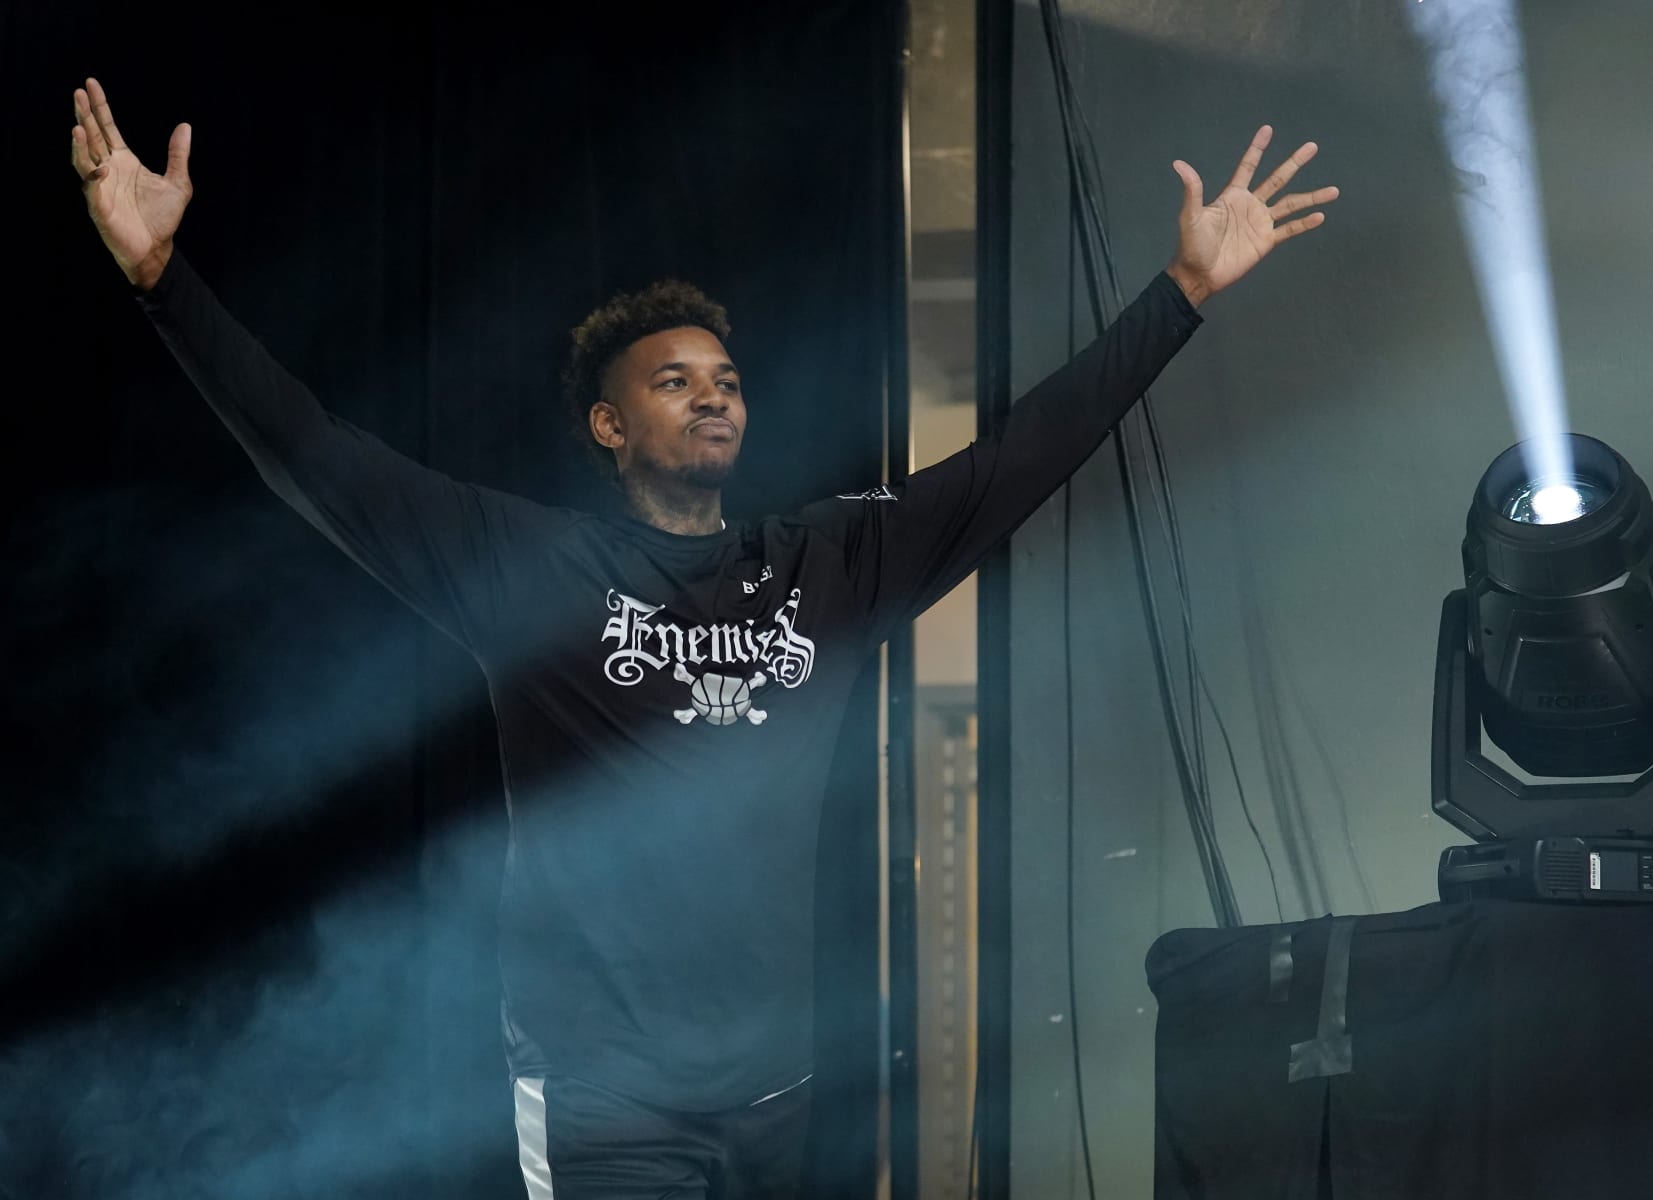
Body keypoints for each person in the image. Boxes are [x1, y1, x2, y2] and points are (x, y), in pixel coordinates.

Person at [70, 74, 1336, 1200]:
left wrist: (1180, 294)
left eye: (726, 379)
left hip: (781, 1087)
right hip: (607, 1099)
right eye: (674, 381)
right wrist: (161, 284)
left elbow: (1021, 458)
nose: (714, 393)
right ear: (610, 429)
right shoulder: (531, 567)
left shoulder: (830, 560)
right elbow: (316, 458)